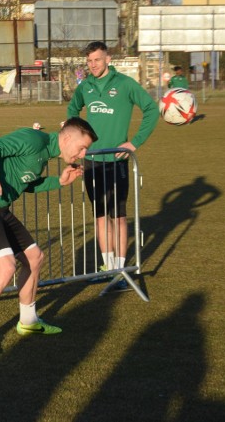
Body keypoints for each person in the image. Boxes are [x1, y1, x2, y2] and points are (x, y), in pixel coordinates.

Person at [0, 117, 98, 358]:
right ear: (66, 138)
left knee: (34, 257)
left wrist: (60, 182)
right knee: (5, 267)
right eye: (81, 147)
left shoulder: (44, 155)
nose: (82, 154)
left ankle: (28, 320)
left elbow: (28, 184)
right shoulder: (33, 139)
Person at [67, 41, 158, 287]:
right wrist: (76, 142)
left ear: (108, 58)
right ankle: (107, 267)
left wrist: (134, 143)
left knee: (118, 216)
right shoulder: (84, 86)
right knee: (99, 215)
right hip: (91, 162)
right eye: (89, 61)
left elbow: (151, 109)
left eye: (97, 59)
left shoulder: (125, 84)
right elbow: (72, 110)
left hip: (116, 161)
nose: (93, 65)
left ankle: (121, 270)